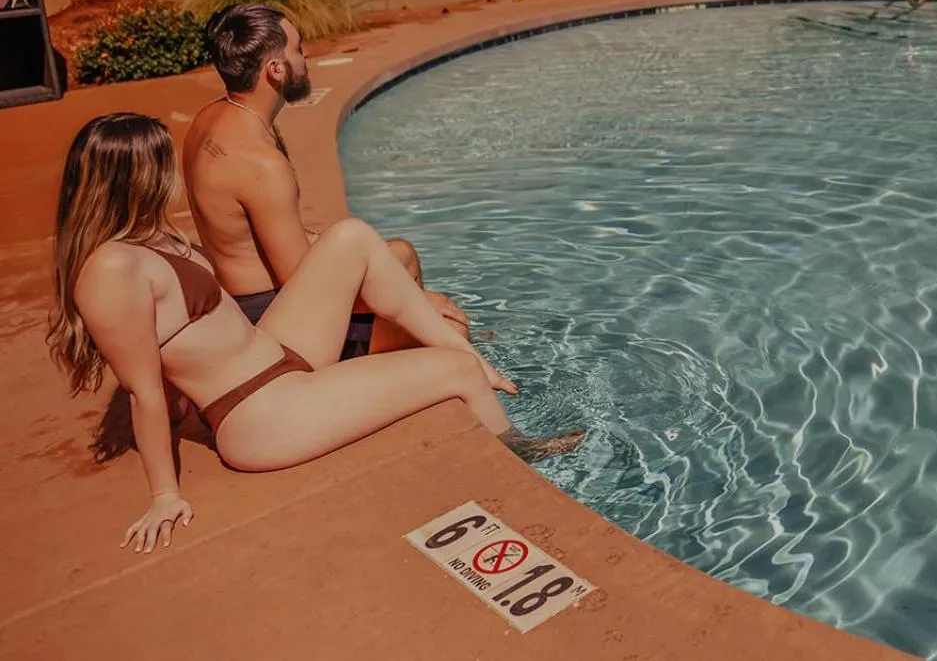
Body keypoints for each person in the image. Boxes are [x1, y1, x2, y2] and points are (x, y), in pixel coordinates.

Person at [48, 114, 583, 553]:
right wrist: (165, 493)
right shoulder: (110, 272)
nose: (171, 176)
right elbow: (143, 388)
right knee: (457, 372)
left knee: (352, 238)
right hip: (261, 409)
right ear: (135, 175)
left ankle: (462, 349)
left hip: (274, 353)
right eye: (161, 163)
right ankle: (523, 455)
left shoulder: (151, 233)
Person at [182, 2, 459, 358]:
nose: (305, 57)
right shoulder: (261, 163)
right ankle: (357, 369)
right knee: (450, 325)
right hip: (276, 324)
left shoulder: (211, 118)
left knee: (400, 255)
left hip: (251, 299)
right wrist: (413, 306)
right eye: (297, 49)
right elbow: (303, 283)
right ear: (276, 69)